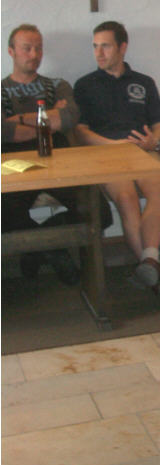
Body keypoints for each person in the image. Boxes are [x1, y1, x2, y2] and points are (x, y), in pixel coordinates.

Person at [74, 21, 160, 302]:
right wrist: (113, 145)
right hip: (106, 154)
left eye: (105, 46)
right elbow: (81, 131)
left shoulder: (144, 82)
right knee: (126, 197)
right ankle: (155, 267)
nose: (99, 53)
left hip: (143, 152)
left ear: (122, 47)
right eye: (95, 46)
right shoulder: (85, 85)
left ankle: (149, 263)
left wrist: (153, 142)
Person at [2, 24, 83, 286]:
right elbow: (3, 132)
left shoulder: (57, 85)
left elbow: (69, 117)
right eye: (27, 48)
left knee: (98, 212)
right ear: (11, 51)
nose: (34, 54)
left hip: (58, 160)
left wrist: (18, 119)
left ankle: (36, 249)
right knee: (3, 214)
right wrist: (48, 118)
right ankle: (53, 251)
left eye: (38, 48)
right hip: (14, 164)